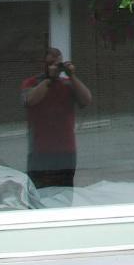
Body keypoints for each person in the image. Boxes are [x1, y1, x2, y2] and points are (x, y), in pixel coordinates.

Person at [20, 47, 92, 189]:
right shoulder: (31, 83)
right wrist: (49, 80)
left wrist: (72, 76)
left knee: (64, 194)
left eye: (57, 63)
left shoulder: (67, 84)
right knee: (38, 194)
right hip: (40, 153)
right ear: (43, 64)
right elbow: (30, 100)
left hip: (66, 152)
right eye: (50, 63)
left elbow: (87, 99)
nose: (54, 67)